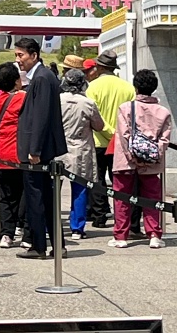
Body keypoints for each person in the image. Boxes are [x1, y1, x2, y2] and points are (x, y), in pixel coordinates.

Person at [14, 37, 67, 260]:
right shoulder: (42, 77)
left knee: (37, 199)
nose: (18, 60)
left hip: (37, 151)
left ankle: (38, 246)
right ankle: (57, 244)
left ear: (34, 55)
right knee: (45, 198)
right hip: (39, 148)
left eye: (21, 55)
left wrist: (34, 149)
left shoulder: (42, 78)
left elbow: (41, 116)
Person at [110, 69, 172, 249]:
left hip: (125, 161)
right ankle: (154, 234)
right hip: (152, 161)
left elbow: (124, 135)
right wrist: (152, 155)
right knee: (152, 198)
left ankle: (121, 236)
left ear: (135, 87)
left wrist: (133, 156)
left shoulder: (125, 108)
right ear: (154, 88)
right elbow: (164, 140)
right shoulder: (163, 112)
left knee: (122, 197)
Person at [85, 51, 136, 230]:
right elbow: (132, 115)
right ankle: (122, 217)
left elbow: (91, 114)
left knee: (97, 179)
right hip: (121, 141)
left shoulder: (92, 87)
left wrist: (107, 131)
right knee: (120, 181)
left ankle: (99, 216)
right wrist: (116, 133)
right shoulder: (128, 88)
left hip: (98, 140)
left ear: (99, 67)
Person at [59, 68, 107, 240]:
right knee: (80, 189)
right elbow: (99, 126)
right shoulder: (87, 103)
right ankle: (77, 228)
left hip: (58, 148)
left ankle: (53, 223)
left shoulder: (57, 100)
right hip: (80, 148)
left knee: (53, 188)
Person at [0, 63, 25, 249]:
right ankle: (22, 227)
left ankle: (6, 234)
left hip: (1, 153)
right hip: (19, 152)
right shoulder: (23, 98)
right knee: (23, 193)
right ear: (16, 80)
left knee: (6, 196)